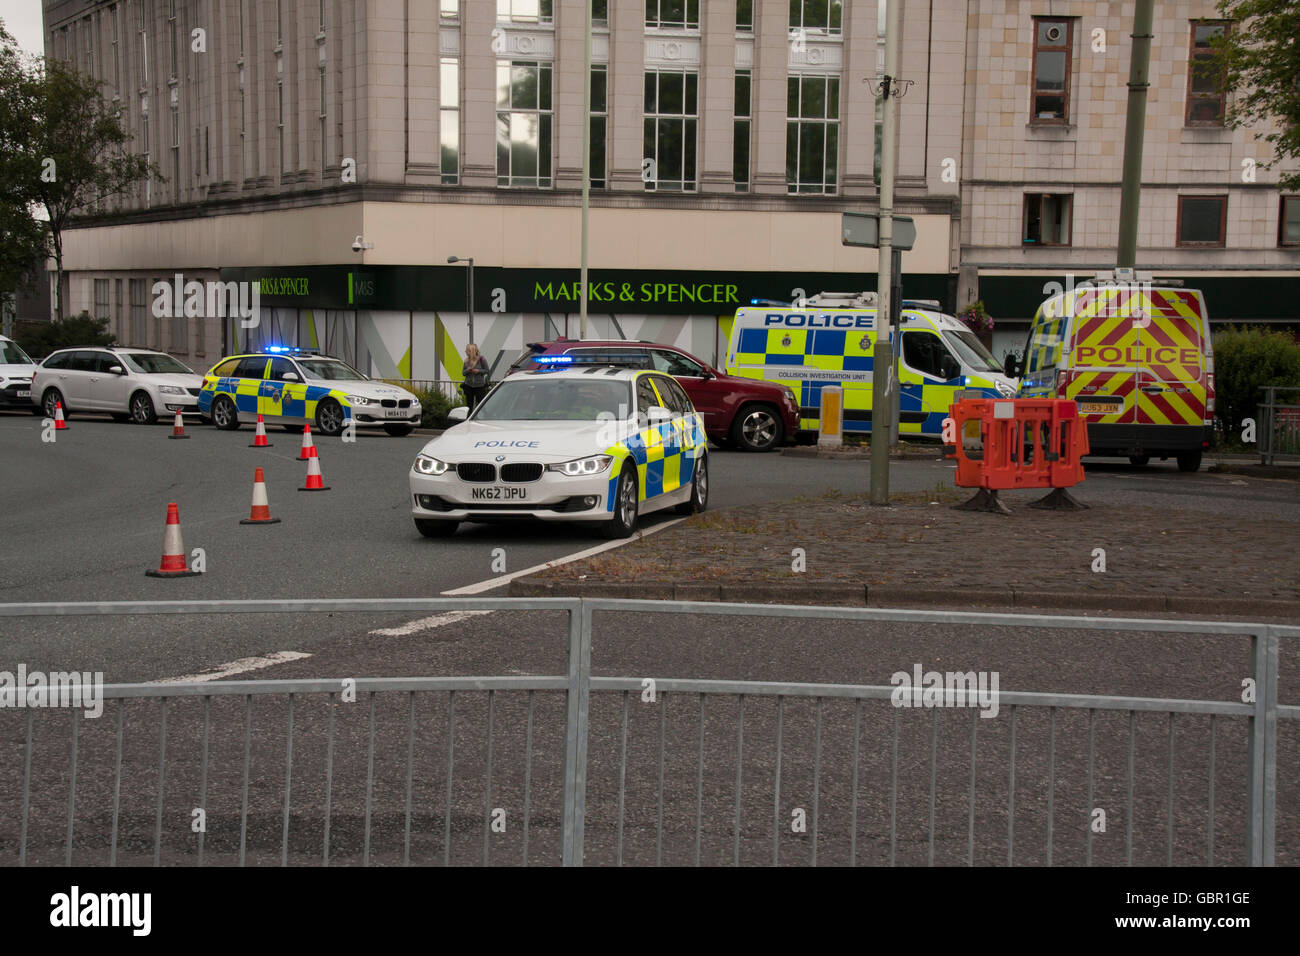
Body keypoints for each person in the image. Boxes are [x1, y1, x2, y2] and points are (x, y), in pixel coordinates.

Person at [462, 343, 490, 412]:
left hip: (479, 386)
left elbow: (487, 370)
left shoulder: (481, 359)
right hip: (469, 385)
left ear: (471, 351)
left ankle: (481, 419)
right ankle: (468, 418)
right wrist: (467, 370)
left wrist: (478, 371)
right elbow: (463, 373)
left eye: (467, 350)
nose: (465, 351)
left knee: (481, 405)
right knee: (469, 406)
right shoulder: (466, 360)